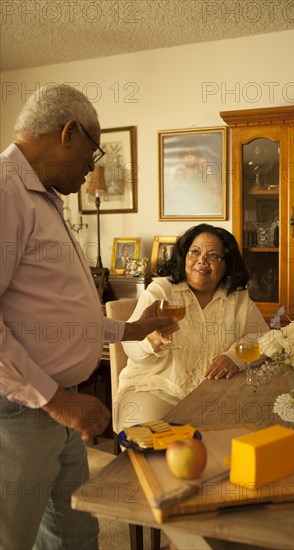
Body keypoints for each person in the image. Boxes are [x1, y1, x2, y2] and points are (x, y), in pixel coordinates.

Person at [0, 84, 177, 550]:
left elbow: (57, 308)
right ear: (68, 132)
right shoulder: (5, 191)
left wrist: (133, 329)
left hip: (59, 409)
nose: (91, 167)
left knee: (74, 534)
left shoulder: (44, 198)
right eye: (92, 152)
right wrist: (59, 402)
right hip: (23, 413)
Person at [115, 223, 269, 432]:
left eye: (213, 256)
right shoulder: (161, 290)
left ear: (227, 264)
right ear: (184, 257)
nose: (201, 261)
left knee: (242, 440)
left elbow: (263, 338)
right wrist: (150, 341)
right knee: (151, 446)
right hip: (156, 388)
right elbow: (130, 345)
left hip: (214, 393)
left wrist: (235, 357)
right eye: (194, 252)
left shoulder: (238, 297)